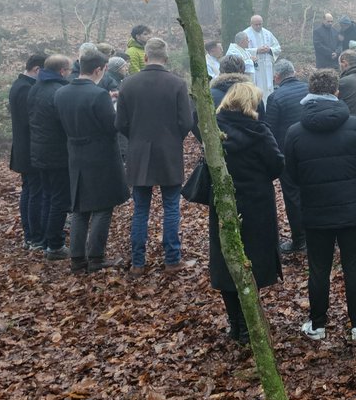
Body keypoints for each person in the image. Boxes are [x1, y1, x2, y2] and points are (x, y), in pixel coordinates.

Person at [284, 70, 356, 341]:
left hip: (315, 212)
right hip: (353, 210)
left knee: (319, 269)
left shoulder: (295, 132)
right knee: (354, 267)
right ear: (336, 92)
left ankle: (318, 324)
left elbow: (292, 173)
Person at [209, 82, 285, 346]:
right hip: (256, 205)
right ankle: (248, 324)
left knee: (226, 260)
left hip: (223, 203)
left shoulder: (213, 131)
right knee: (252, 260)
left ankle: (236, 325)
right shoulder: (260, 132)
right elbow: (277, 165)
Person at [115, 38, 194, 276]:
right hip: (169, 152)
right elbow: (187, 122)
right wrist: (172, 138)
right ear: (166, 58)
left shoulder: (128, 84)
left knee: (141, 209)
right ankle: (172, 259)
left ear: (146, 57)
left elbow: (120, 123)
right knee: (171, 207)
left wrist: (137, 138)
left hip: (139, 153)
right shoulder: (177, 84)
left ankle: (138, 263)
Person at [55, 49, 128, 273]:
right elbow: (111, 126)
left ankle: (77, 259)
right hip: (101, 155)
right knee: (103, 207)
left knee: (79, 207)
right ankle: (96, 257)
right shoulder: (97, 95)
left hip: (75, 154)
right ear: (98, 69)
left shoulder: (61, 93)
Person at [28, 54, 72, 260]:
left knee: (47, 196)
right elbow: (65, 122)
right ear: (62, 71)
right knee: (59, 200)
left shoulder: (35, 87)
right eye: (69, 70)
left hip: (39, 152)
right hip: (57, 154)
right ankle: (55, 245)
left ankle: (47, 240)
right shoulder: (59, 91)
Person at [264, 59, 309, 254]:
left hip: (288, 154)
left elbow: (269, 130)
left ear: (277, 77)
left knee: (293, 197)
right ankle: (319, 234)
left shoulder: (275, 97)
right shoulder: (309, 89)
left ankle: (300, 240)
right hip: (311, 151)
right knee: (312, 192)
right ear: (294, 71)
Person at [8, 53, 46, 250]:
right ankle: (34, 236)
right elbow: (31, 120)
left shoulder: (20, 85)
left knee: (31, 190)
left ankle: (32, 234)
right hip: (29, 149)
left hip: (27, 148)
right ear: (37, 70)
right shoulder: (25, 89)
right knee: (34, 192)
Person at [246, 15, 281, 97]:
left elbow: (278, 48)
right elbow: (242, 51)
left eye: (260, 24)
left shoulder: (267, 33)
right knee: (258, 87)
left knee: (268, 87)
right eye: (256, 24)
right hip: (255, 67)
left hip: (267, 66)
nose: (258, 26)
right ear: (251, 24)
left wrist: (269, 49)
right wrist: (256, 50)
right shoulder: (246, 34)